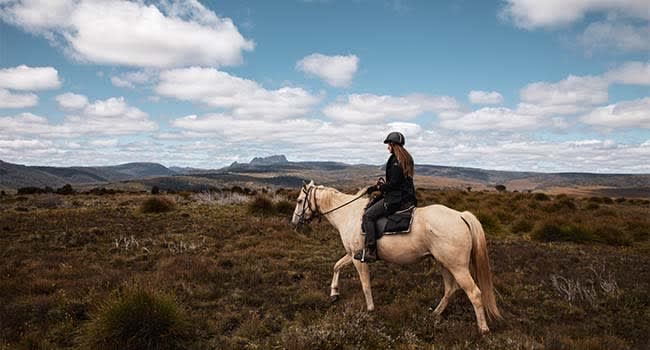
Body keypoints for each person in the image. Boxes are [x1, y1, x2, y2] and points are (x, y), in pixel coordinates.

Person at [354, 131, 417, 263]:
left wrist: (377, 188)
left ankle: (371, 251)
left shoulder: (395, 160)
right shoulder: (406, 158)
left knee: (368, 216)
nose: (387, 147)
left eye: (389, 144)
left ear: (393, 145)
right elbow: (398, 181)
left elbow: (394, 184)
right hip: (408, 198)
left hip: (396, 199)